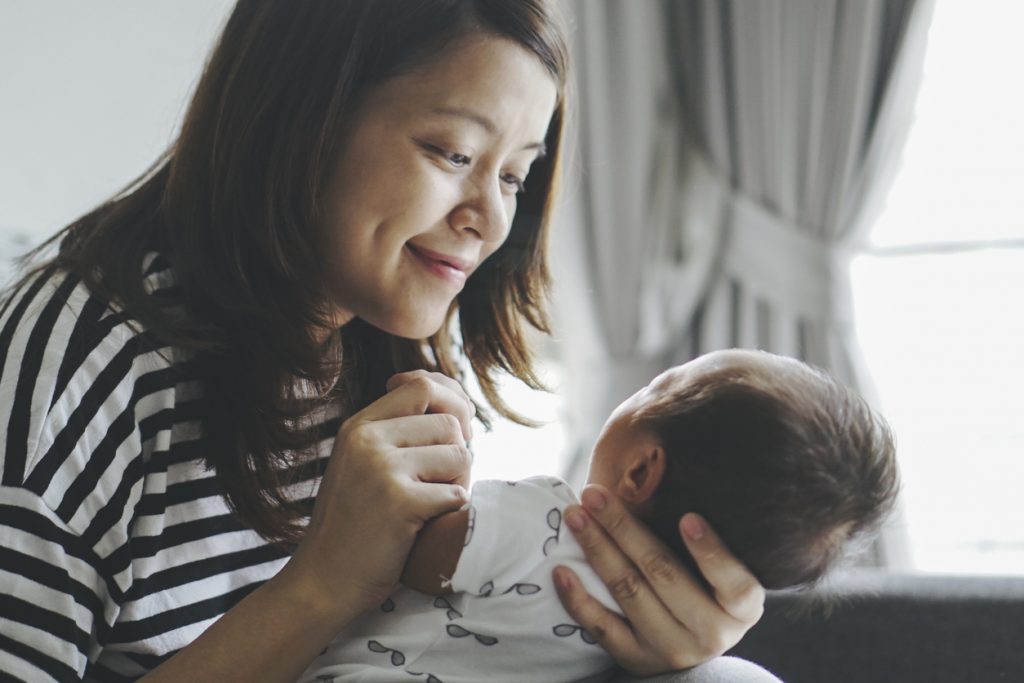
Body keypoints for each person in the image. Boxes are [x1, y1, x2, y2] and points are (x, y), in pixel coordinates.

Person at [0, 1, 767, 681]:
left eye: (513, 177)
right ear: (300, 112)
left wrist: (633, 621)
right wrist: (325, 581)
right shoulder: (77, 364)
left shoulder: (388, 332)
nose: (490, 221)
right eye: (453, 154)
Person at [299, 348, 900, 682]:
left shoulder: (546, 520)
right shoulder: (657, 617)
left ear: (641, 472)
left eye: (657, 385)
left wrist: (444, 458)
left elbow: (413, 555)